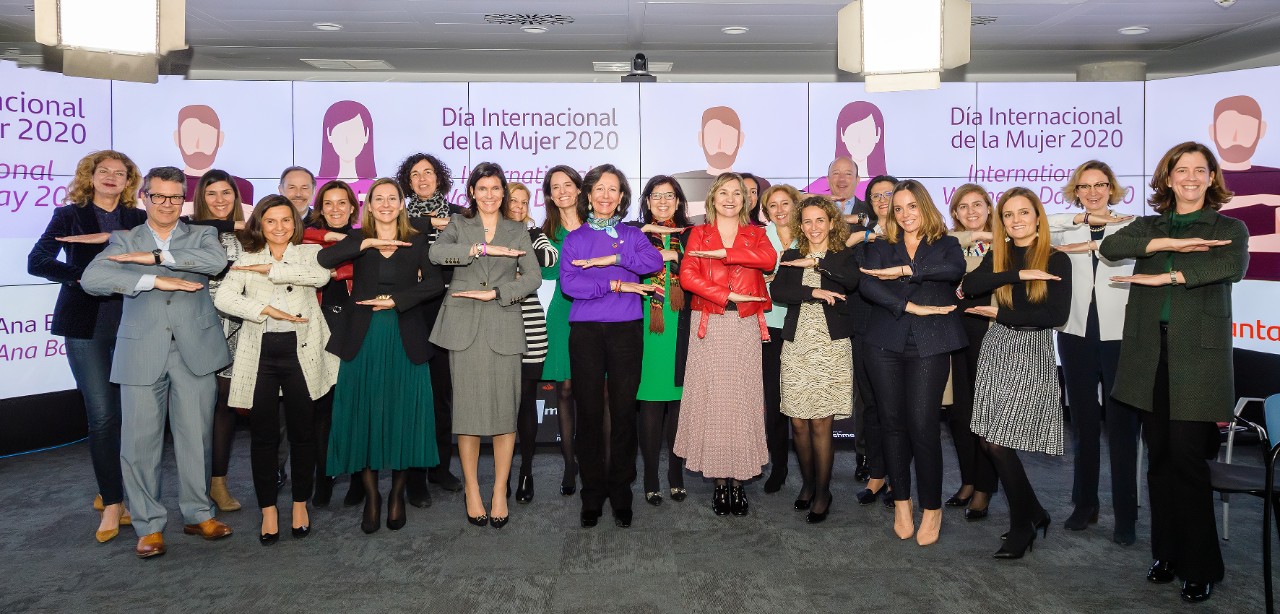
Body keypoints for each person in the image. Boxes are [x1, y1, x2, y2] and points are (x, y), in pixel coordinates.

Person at [1100, 142, 1249, 603]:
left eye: (1199, 170)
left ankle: (1201, 564)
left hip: (1198, 358)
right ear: (1166, 178)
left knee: (1186, 460)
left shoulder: (1230, 227)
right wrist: (1170, 244)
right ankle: (1166, 553)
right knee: (1160, 456)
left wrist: (1166, 276)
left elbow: (1230, 265)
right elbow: (1111, 246)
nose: (1190, 177)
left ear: (1211, 178)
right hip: (1149, 353)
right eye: (1180, 170)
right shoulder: (1149, 225)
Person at [80, 165, 234, 558]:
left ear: (185, 199)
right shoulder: (121, 238)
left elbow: (214, 263)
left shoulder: (202, 234)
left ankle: (198, 513)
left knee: (196, 438)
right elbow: (92, 279)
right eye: (159, 196)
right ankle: (148, 525)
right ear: (143, 197)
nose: (167, 204)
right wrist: (154, 280)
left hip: (194, 350)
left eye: (175, 197)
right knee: (139, 443)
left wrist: (154, 257)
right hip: (141, 351)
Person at [27, 150, 147, 543]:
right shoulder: (69, 215)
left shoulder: (137, 218)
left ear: (129, 180)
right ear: (90, 176)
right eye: (104, 171)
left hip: (134, 322)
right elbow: (37, 261)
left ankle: (117, 490)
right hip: (84, 324)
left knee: (132, 417)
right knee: (103, 417)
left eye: (120, 172)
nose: (112, 177)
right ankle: (113, 503)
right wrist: (86, 277)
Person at [318, 177, 444, 534]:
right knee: (365, 415)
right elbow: (324, 257)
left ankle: (397, 495)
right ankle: (372, 496)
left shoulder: (417, 240)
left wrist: (395, 301)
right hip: (364, 338)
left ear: (402, 204)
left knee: (404, 414)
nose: (386, 204)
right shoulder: (359, 239)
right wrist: (367, 242)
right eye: (379, 199)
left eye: (393, 198)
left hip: (405, 335)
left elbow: (434, 284)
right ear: (369, 206)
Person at [214, 195, 337, 544]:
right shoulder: (246, 256)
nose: (279, 227)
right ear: (260, 224)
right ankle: (268, 509)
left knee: (303, 433)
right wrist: (266, 308)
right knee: (264, 437)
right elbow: (225, 298)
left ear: (295, 224)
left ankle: (300, 503)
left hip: (303, 354)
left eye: (286, 220)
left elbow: (321, 277)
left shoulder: (308, 253)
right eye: (271, 221)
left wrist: (272, 270)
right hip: (262, 355)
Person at [961, 187, 1072, 560]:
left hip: (1031, 351)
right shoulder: (999, 255)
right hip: (996, 347)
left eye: (1023, 213)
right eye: (1008, 215)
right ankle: (1033, 513)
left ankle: (1024, 522)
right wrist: (1018, 271)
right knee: (990, 438)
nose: (1016, 220)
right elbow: (969, 287)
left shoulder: (1058, 260)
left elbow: (1054, 317)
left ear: (1037, 217)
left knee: (996, 442)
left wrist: (1000, 314)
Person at [430, 163, 541, 529]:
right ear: (472, 192)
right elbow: (436, 255)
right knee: (468, 414)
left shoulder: (517, 229)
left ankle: (498, 493)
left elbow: (534, 277)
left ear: (503, 192)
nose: (490, 195)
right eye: (483, 188)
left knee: (505, 414)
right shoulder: (459, 226)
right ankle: (473, 490)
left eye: (496, 188)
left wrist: (497, 292)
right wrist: (477, 249)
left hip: (503, 323)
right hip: (463, 326)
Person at [858, 179, 966, 546]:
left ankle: (932, 508)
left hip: (931, 343)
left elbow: (953, 271)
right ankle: (902, 503)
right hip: (883, 342)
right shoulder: (880, 246)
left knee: (923, 426)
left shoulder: (946, 244)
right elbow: (868, 286)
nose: (905, 214)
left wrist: (906, 272)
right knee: (892, 423)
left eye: (912, 206)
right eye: (898, 207)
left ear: (925, 206)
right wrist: (907, 305)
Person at [561, 164, 664, 529]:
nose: (606, 196)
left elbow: (652, 262)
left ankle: (621, 491)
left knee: (623, 413)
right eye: (600, 189)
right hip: (586, 332)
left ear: (622, 198)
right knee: (588, 413)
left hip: (625, 332)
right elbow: (570, 286)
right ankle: (592, 494)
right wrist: (616, 285)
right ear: (588, 195)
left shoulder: (632, 235)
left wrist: (616, 259)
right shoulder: (575, 238)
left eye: (614, 190)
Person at [1047, 161, 1140, 543]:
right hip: (1075, 334)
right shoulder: (1066, 225)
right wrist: (1080, 217)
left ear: (1113, 188)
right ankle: (1085, 505)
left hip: (1120, 335)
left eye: (1101, 185)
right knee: (1083, 425)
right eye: (1084, 186)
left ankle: (1126, 515)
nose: (1093, 192)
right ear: (1076, 191)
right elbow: (1037, 222)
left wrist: (1105, 219)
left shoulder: (1133, 226)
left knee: (1122, 428)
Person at [676, 172, 776, 518]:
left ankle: (739, 481)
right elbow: (688, 276)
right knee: (714, 403)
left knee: (742, 401)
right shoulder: (698, 233)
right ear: (713, 198)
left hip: (746, 325)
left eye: (737, 193)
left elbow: (768, 261)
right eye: (724, 192)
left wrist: (727, 253)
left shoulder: (757, 234)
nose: (731, 198)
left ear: (746, 200)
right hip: (711, 324)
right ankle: (721, 483)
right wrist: (727, 293)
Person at [771, 196, 859, 523]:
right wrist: (813, 292)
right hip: (796, 345)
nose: (813, 227)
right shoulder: (792, 255)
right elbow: (779, 292)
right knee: (798, 421)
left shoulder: (843, 256)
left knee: (821, 422)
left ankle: (823, 492)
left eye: (819, 220)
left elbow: (851, 282)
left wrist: (817, 265)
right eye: (807, 221)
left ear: (831, 222)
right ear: (800, 226)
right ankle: (807, 484)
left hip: (830, 347)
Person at [397, 152, 465, 507]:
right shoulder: (397, 217)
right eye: (415, 174)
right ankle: (414, 476)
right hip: (409, 311)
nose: (422, 179)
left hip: (447, 309)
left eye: (429, 173)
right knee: (413, 394)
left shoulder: (458, 216)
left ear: (440, 178)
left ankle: (439, 466)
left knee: (441, 394)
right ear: (407, 182)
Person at [186, 169, 248, 514]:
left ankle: (218, 482)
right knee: (194, 412)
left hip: (238, 330)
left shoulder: (248, 235)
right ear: (201, 198)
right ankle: (193, 487)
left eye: (227, 193)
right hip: (197, 328)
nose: (220, 200)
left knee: (225, 408)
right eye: (212, 194)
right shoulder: (187, 231)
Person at [632, 175, 692, 506]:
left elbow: (698, 271)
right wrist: (661, 256)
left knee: (678, 404)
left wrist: (676, 257)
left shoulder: (692, 235)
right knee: (651, 403)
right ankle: (651, 476)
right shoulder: (635, 233)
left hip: (680, 326)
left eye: (670, 195)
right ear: (647, 202)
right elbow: (629, 265)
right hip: (646, 326)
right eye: (656, 196)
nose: (663, 201)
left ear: (679, 201)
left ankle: (676, 474)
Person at [944, 183, 1000, 521]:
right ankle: (968, 479)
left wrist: (995, 238)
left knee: (986, 415)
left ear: (989, 208)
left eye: (977, 205)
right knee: (959, 413)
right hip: (953, 332)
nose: (971, 212)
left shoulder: (1005, 244)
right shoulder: (948, 245)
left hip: (990, 334)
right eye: (963, 207)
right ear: (955, 214)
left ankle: (984, 487)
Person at [301, 180, 358, 507]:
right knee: (321, 410)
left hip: (353, 327)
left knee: (352, 407)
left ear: (353, 207)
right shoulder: (307, 237)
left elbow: (345, 264)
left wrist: (340, 249)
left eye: (342, 203)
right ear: (320, 209)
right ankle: (323, 478)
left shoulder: (364, 237)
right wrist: (331, 238)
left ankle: (357, 480)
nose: (336, 209)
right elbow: (307, 241)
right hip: (317, 327)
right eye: (329, 203)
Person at [506, 182, 559, 504]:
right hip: (494, 328)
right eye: (513, 201)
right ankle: (502, 474)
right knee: (501, 405)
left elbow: (550, 258)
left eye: (524, 202)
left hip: (530, 329)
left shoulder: (534, 232)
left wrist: (512, 249)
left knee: (526, 403)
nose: (518, 206)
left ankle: (526, 470)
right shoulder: (485, 233)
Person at [849, 175, 897, 508]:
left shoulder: (912, 232)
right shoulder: (860, 239)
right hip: (865, 327)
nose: (881, 199)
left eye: (888, 194)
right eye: (875, 195)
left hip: (901, 328)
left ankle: (898, 478)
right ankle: (877, 474)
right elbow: (854, 277)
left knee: (897, 409)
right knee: (871, 405)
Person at [539, 165, 584, 496]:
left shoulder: (599, 224)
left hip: (597, 313)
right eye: (556, 187)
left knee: (598, 392)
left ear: (579, 189)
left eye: (568, 184)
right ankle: (570, 464)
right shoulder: (546, 231)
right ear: (550, 195)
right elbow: (548, 278)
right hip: (561, 312)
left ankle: (594, 457)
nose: (562, 191)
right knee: (565, 390)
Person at [1210, 95, 1280, 281]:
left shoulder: (1276, 178)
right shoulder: (1200, 180)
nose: (1235, 137)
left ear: (1261, 129)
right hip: (1210, 285)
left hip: (1270, 282)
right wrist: (1261, 199)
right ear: (1213, 131)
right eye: (1228, 128)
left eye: (1245, 128)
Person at [760, 184, 800, 493]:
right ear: (766, 211)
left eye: (784, 203)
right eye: (772, 205)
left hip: (805, 325)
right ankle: (779, 467)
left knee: (801, 402)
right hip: (770, 325)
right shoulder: (760, 238)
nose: (779, 209)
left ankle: (810, 469)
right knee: (773, 401)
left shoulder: (811, 232)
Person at [174, 104, 255, 210]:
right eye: (190, 135)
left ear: (220, 139)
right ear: (177, 138)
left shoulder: (241, 186)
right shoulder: (154, 186)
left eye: (206, 136)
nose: (198, 144)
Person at [674, 106, 746, 222]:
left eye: (728, 136)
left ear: (740, 139)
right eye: (713, 136)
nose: (720, 144)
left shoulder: (755, 184)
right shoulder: (679, 182)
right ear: (701, 138)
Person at [318, 100, 376, 203]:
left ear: (366, 134)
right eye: (340, 132)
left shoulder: (375, 188)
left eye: (354, 132)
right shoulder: (315, 185)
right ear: (329, 135)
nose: (347, 140)